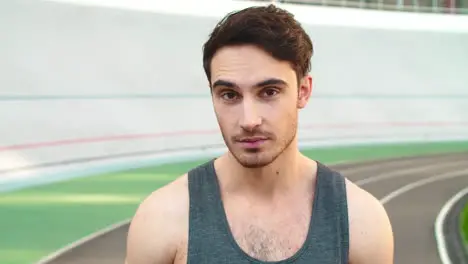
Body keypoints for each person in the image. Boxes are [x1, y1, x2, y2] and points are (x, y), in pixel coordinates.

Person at [125, 4, 394, 264]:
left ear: (303, 91)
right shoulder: (163, 218)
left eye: (269, 92)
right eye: (229, 95)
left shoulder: (360, 221)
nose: (249, 120)